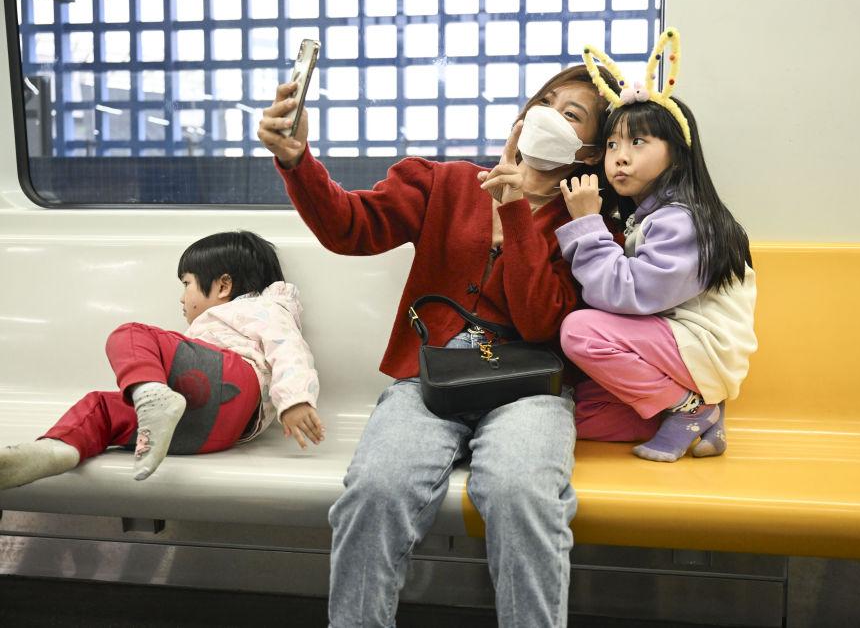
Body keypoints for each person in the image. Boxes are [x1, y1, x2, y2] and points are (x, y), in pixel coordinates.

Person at [256, 62, 620, 627]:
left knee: (522, 495)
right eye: (543, 101)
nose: (545, 115)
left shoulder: (588, 227)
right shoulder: (444, 184)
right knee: (375, 490)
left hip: (532, 389)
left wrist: (515, 214)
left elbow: (542, 322)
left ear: (590, 153)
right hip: (429, 379)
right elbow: (350, 227)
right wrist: (297, 161)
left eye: (569, 114)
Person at [557, 28, 757, 462]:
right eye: (611, 144)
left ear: (678, 154)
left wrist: (587, 225)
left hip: (703, 349)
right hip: (678, 353)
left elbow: (630, 294)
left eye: (638, 142)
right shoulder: (650, 216)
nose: (619, 156)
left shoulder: (684, 219)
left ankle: (690, 407)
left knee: (579, 331)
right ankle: (700, 415)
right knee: (584, 413)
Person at [0, 231, 323, 489]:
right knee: (100, 407)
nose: (182, 297)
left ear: (223, 285)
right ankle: (57, 450)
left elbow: (290, 349)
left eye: (187, 284)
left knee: (130, 333)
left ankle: (150, 395)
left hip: (236, 380)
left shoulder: (263, 307)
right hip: (217, 433)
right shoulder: (225, 322)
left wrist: (294, 400)